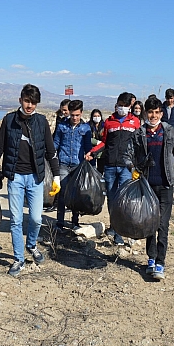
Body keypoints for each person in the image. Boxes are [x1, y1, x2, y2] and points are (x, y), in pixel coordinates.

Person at [0, 84, 60, 277]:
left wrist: (57, 177)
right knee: (16, 221)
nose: (30, 105)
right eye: (27, 101)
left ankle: (32, 245)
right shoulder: (9, 120)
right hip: (15, 178)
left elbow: (50, 152)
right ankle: (19, 259)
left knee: (36, 218)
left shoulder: (41, 122)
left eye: (33, 102)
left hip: (36, 178)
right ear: (20, 100)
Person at [132, 97, 174, 280]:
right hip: (147, 185)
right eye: (150, 112)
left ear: (161, 113)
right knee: (150, 222)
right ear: (145, 113)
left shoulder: (168, 130)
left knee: (163, 224)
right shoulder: (140, 133)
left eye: (157, 112)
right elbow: (130, 153)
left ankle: (160, 262)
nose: (153, 115)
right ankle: (150, 258)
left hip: (166, 184)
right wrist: (134, 169)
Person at [86, 92, 141, 246]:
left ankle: (122, 231)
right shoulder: (109, 123)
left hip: (126, 167)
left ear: (129, 106)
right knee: (111, 197)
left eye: (125, 105)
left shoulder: (135, 122)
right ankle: (114, 227)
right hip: (110, 165)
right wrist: (93, 152)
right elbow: (104, 142)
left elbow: (139, 145)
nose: (122, 108)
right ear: (116, 105)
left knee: (123, 198)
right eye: (120, 105)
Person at [52, 100, 92, 231]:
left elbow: (88, 147)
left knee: (75, 194)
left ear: (81, 113)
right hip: (63, 163)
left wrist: (90, 155)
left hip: (78, 165)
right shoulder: (61, 126)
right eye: (72, 115)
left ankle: (75, 221)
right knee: (62, 193)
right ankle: (60, 222)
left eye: (77, 115)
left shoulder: (85, 128)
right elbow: (56, 143)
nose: (74, 118)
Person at [88, 109, 105, 173]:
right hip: (91, 151)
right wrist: (96, 142)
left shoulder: (104, 126)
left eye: (98, 116)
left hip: (102, 152)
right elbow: (88, 138)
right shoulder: (88, 126)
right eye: (95, 116)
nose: (97, 117)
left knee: (100, 171)